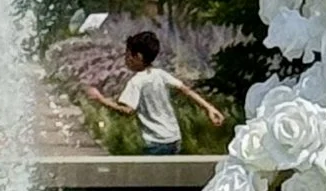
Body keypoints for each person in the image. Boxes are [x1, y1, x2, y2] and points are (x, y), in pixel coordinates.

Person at [84, 28, 222, 155]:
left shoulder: (136, 82)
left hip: (155, 142)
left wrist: (100, 99)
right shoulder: (160, 74)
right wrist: (209, 108)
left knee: (151, 179)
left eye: (127, 55)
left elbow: (127, 111)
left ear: (138, 56)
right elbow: (186, 90)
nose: (125, 60)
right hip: (174, 137)